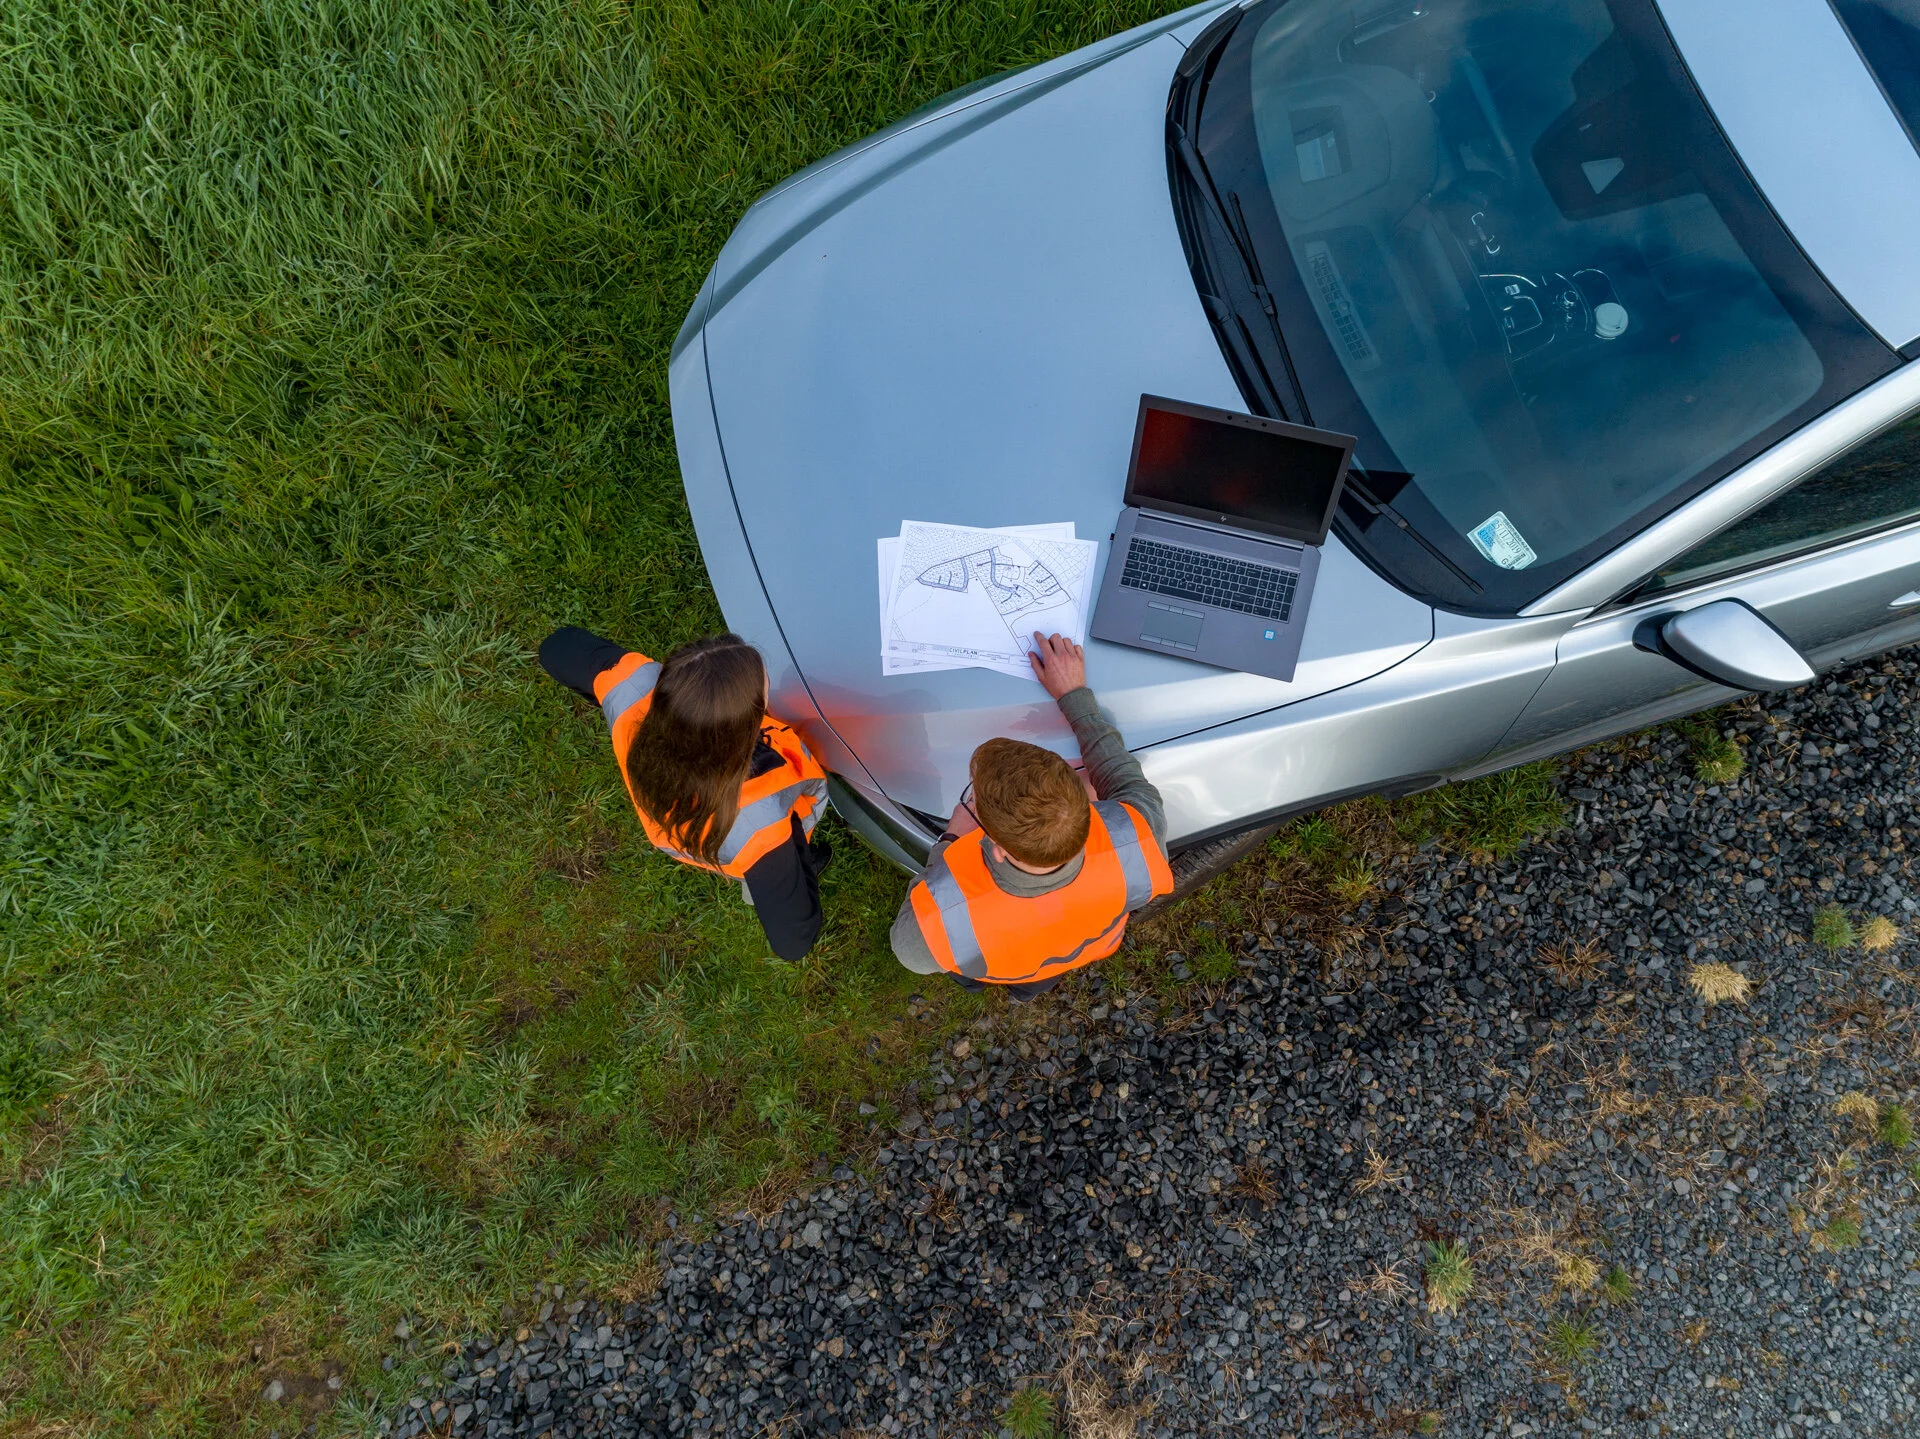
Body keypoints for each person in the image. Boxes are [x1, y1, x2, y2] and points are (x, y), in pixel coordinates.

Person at [890, 632, 1172, 1000]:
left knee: (1019, 979)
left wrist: (948, 842)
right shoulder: (1140, 832)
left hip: (1011, 964)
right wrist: (1074, 694)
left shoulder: (944, 915)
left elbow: (909, 954)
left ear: (1000, 850)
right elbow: (1117, 767)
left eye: (975, 803)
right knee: (1041, 976)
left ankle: (1019, 988)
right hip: (1087, 943)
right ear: (1088, 798)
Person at [538, 626, 831, 961]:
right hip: (753, 844)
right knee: (771, 878)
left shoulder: (634, 687)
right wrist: (797, 874)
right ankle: (771, 880)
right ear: (741, 728)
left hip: (690, 827)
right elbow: (794, 940)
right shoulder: (761, 825)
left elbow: (555, 648)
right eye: (762, 691)